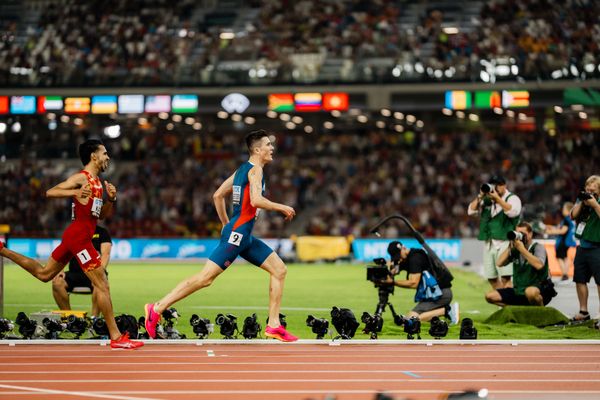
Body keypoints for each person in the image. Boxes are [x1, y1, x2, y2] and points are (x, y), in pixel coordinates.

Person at [144, 130, 299, 342]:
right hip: (239, 233)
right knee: (205, 279)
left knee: (279, 270)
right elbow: (255, 200)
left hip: (241, 235)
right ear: (257, 150)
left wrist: (227, 225)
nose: (272, 148)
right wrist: (282, 207)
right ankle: (157, 307)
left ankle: (273, 325)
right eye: (268, 145)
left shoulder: (241, 170)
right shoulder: (256, 171)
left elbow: (217, 195)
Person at [0, 139, 142, 349]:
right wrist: (74, 192)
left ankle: (3, 250)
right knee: (102, 283)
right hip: (79, 238)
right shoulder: (81, 178)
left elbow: (99, 216)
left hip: (76, 236)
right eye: (104, 153)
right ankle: (117, 337)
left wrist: (111, 199)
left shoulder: (98, 183)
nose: (108, 157)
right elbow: (51, 192)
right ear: (94, 156)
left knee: (44, 274)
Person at [378, 241, 459, 324]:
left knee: (410, 321)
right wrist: (386, 274)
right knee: (409, 319)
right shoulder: (410, 257)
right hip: (434, 293)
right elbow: (394, 270)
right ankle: (442, 312)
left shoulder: (415, 258)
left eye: (399, 256)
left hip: (439, 294)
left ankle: (447, 310)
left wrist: (393, 282)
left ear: (403, 248)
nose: (399, 259)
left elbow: (413, 283)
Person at [468, 175, 522, 289]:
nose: (495, 187)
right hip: (489, 242)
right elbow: (471, 211)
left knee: (505, 278)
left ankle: (510, 303)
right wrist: (480, 196)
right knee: (491, 278)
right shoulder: (487, 200)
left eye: (498, 185)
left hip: (506, 241)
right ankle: (504, 302)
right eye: (493, 185)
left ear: (504, 186)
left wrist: (498, 199)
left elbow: (513, 212)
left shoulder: (512, 198)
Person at [485, 222, 555, 307]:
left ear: (530, 234)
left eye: (522, 233)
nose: (520, 236)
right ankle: (516, 310)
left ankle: (540, 313)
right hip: (519, 290)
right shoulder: (515, 249)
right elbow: (499, 263)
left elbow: (539, 265)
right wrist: (510, 247)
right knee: (490, 296)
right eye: (517, 233)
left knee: (530, 292)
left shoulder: (537, 247)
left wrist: (522, 249)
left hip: (541, 289)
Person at [52, 225, 112, 317]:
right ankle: (69, 318)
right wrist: (60, 270)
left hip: (94, 272)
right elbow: (63, 253)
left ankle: (94, 320)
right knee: (57, 282)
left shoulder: (102, 232)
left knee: (99, 283)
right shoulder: (73, 232)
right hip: (75, 274)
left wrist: (100, 272)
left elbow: (106, 254)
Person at [571, 175, 600, 321]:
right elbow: (572, 215)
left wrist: (595, 204)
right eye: (587, 188)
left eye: (593, 188)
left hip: (597, 247)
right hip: (582, 246)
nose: (589, 191)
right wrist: (582, 202)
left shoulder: (597, 202)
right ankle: (583, 311)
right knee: (580, 279)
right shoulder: (582, 200)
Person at [544, 202, 576, 281]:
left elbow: (562, 231)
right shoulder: (572, 219)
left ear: (569, 210)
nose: (562, 210)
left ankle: (564, 274)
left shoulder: (566, 219)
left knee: (560, 257)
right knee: (565, 258)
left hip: (563, 242)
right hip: (570, 241)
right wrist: (551, 227)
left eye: (564, 209)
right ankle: (565, 273)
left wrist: (550, 232)